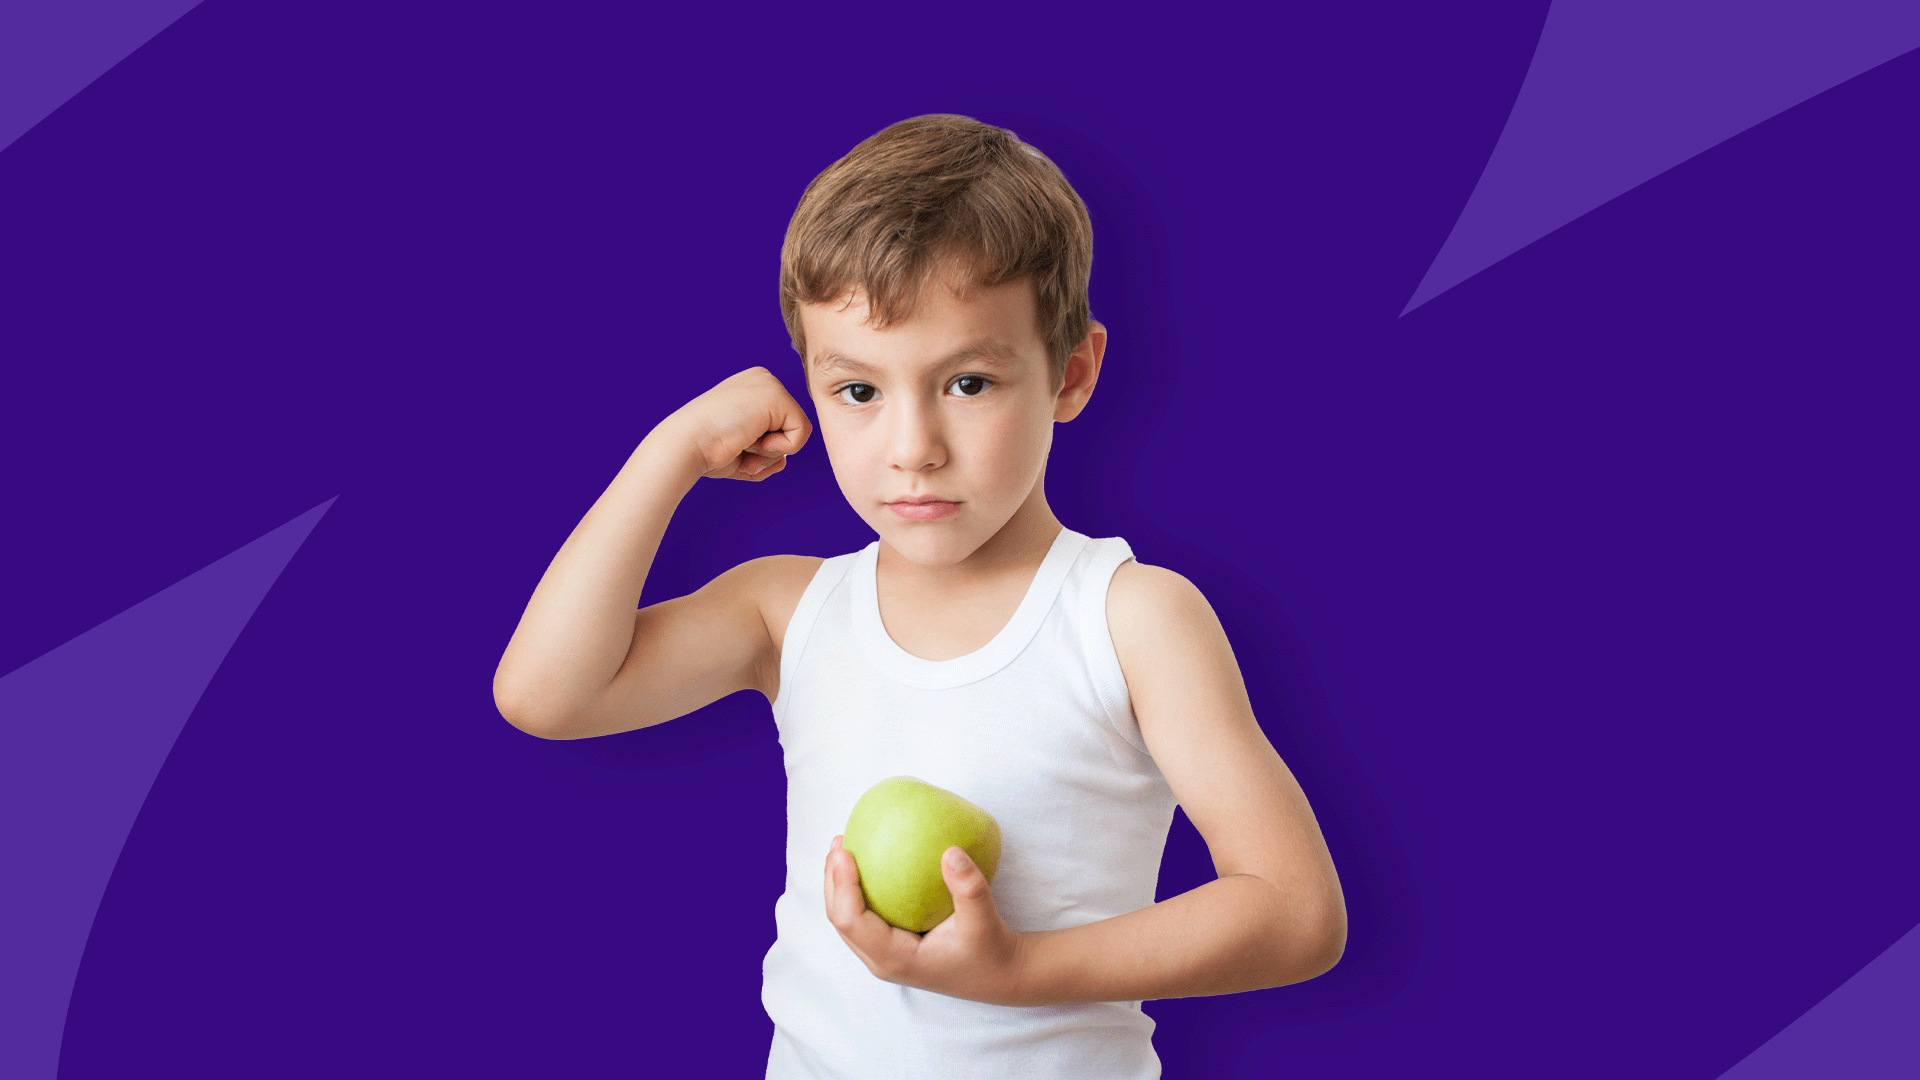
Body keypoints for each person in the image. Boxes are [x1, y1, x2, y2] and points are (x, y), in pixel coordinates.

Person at [492, 114, 1346, 1079]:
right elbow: (547, 695)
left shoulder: (1129, 618)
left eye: (969, 382)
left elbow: (1294, 909)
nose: (913, 447)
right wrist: (672, 454)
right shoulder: (788, 612)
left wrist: (1018, 970)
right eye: (858, 392)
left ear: (1072, 374)